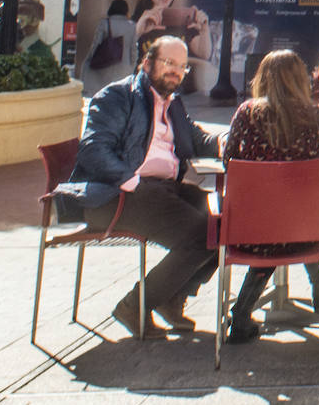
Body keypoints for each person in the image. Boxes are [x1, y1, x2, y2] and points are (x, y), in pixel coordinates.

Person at [54, 37, 220, 338]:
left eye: (182, 67)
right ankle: (136, 305)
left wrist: (223, 144)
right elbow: (93, 148)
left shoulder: (173, 103)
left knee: (224, 231)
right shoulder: (117, 96)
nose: (177, 72)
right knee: (202, 234)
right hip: (116, 194)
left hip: (161, 191)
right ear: (147, 63)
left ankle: (171, 298)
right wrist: (131, 182)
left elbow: (196, 138)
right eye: (169, 64)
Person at [222, 50, 319, 343]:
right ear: (302, 79)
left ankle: (241, 315)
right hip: (307, 230)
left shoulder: (245, 113)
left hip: (252, 230)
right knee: (296, 223)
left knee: (276, 230)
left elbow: (228, 162)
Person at [79, 0, 139, 96]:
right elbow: (134, 50)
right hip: (124, 69)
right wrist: (131, 66)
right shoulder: (132, 26)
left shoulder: (104, 23)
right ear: (126, 11)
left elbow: (95, 45)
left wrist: (89, 61)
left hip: (104, 68)